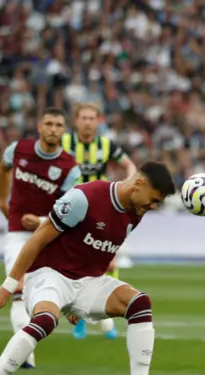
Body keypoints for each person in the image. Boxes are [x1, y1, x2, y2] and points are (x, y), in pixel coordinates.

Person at [0, 161, 176, 375]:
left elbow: (95, 254)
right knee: (45, 321)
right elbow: (37, 239)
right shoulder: (84, 198)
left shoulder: (136, 213)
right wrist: (8, 286)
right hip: (48, 275)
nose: (153, 207)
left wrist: (79, 303)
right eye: (153, 200)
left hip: (87, 281)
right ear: (138, 184)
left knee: (139, 303)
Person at [0, 107, 80, 369]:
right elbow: (2, 169)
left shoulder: (69, 167)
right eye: (49, 123)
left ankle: (27, 343)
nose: (54, 129)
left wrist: (43, 221)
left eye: (59, 124)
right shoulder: (17, 150)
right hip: (18, 234)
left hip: (49, 237)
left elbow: (72, 210)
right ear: (40, 127)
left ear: (64, 131)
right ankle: (25, 356)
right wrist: (2, 199)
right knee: (16, 288)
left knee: (41, 297)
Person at [61, 103, 137, 340]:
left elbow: (129, 165)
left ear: (97, 121)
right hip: (72, 211)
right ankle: (79, 318)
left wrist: (128, 185)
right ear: (76, 121)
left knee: (110, 263)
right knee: (78, 267)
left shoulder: (105, 146)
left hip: (102, 210)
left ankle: (107, 317)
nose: (87, 122)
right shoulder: (64, 144)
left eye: (92, 118)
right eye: (83, 117)